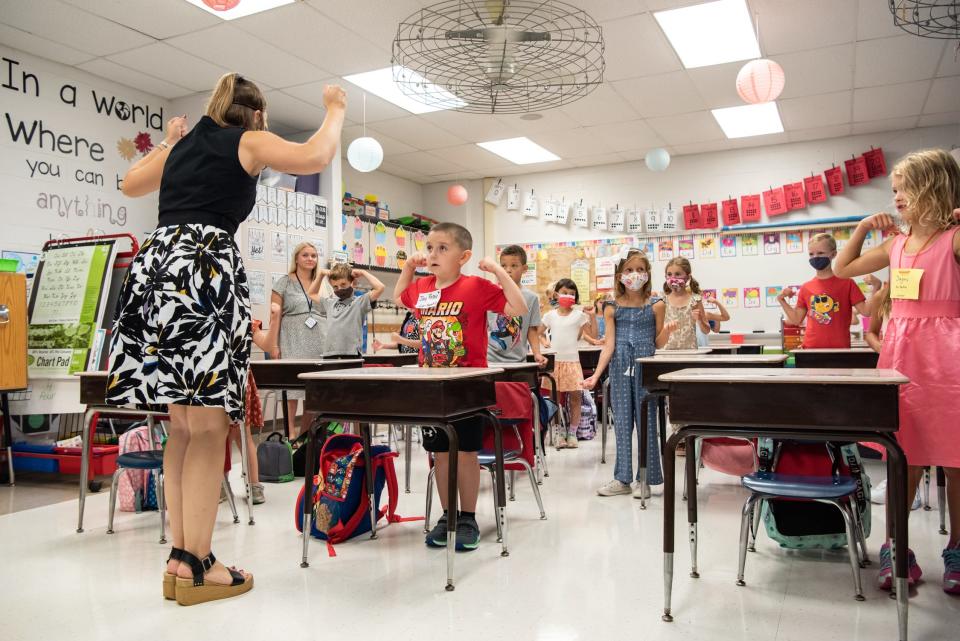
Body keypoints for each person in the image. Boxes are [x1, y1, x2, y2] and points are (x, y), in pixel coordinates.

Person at [107, 71, 345, 605]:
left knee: (182, 426)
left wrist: (170, 139)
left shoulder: (183, 147)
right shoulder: (248, 139)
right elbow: (315, 157)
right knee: (210, 425)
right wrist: (335, 109)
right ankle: (200, 565)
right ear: (255, 113)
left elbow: (129, 183)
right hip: (203, 267)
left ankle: (178, 557)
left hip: (156, 269)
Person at [834, 148, 960, 595]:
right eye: (895, 190)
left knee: (955, 460)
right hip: (903, 355)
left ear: (934, 187)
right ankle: (896, 546)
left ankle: (957, 551)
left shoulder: (954, 239)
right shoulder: (896, 245)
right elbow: (842, 267)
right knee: (903, 456)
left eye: (904, 188)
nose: (897, 197)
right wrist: (864, 227)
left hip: (950, 360)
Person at [396, 222, 527, 551]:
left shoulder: (476, 287)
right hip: (432, 386)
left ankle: (468, 517)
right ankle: (448, 515)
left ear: (463, 256)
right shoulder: (424, 287)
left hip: (467, 386)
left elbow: (519, 308)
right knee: (440, 455)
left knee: (466, 453)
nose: (433, 254)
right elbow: (400, 297)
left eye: (443, 248)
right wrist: (409, 268)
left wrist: (497, 269)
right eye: (429, 248)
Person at [584, 249, 674, 497]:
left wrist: (668, 330)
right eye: (629, 270)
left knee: (647, 424)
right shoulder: (611, 307)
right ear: (619, 275)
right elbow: (609, 345)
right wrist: (595, 375)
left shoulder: (656, 305)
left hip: (647, 367)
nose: (635, 275)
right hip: (620, 366)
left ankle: (645, 478)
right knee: (622, 423)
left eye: (640, 270)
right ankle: (622, 479)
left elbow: (659, 342)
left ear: (648, 274)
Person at [225, 302, 281, 506]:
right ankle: (223, 484)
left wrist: (274, 320)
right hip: (222, 380)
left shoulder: (240, 315)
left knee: (242, 434)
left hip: (235, 380)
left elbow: (266, 345)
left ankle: (254, 485)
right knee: (226, 435)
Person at [776, 233, 871, 348]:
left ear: (833, 254)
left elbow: (866, 311)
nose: (815, 257)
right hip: (811, 349)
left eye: (820, 253)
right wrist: (781, 300)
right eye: (811, 254)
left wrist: (876, 287)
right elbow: (796, 319)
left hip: (840, 350)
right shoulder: (806, 287)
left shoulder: (847, 283)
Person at [272, 242, 328, 437]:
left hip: (319, 343)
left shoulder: (322, 283)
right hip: (292, 340)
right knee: (291, 392)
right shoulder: (284, 282)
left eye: (314, 255)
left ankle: (306, 437)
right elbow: (275, 315)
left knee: (312, 393)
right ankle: (290, 436)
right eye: (305, 255)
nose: (310, 258)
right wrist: (273, 344)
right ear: (296, 258)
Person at [539, 279, 591, 449]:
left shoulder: (579, 315)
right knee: (555, 400)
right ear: (556, 294)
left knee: (575, 398)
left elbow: (589, 335)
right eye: (564, 292)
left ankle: (572, 433)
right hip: (555, 363)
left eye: (572, 293)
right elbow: (536, 333)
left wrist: (592, 316)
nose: (568, 295)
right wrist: (542, 343)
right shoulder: (550, 315)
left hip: (572, 362)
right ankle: (559, 432)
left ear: (575, 296)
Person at [487, 245, 547, 367]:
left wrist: (537, 354)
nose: (508, 270)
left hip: (517, 362)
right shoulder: (490, 294)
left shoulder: (531, 297)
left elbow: (532, 329)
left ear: (524, 268)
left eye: (514, 266)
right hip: (489, 361)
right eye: (503, 266)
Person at [321, 263, 384, 357]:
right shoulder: (330, 302)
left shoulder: (359, 301)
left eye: (343, 284)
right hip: (329, 354)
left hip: (351, 353)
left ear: (352, 282)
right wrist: (320, 275)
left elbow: (380, 287)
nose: (340, 289)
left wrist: (363, 272)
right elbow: (312, 294)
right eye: (335, 286)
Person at [655, 257, 710, 350]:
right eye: (669, 274)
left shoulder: (695, 300)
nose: (673, 278)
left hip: (690, 354)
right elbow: (657, 338)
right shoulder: (662, 301)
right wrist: (666, 330)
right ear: (665, 277)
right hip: (666, 354)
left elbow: (706, 330)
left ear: (688, 277)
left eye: (677, 274)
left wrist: (700, 320)